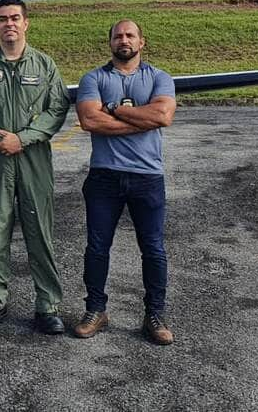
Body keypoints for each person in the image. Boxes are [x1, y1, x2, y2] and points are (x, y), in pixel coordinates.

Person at [0, 0, 68, 334]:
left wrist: (24, 138)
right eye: (3, 18)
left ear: (26, 23)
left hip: (33, 158)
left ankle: (47, 305)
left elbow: (57, 108)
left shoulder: (45, 66)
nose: (10, 24)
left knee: (41, 232)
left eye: (15, 18)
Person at [71, 19, 177, 346]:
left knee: (154, 249)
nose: (124, 40)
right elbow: (89, 119)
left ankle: (155, 314)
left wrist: (114, 110)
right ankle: (95, 310)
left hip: (147, 177)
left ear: (142, 42)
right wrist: (140, 121)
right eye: (118, 36)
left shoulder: (159, 78)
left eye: (130, 35)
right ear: (110, 43)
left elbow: (162, 117)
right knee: (98, 247)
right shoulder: (94, 78)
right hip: (105, 176)